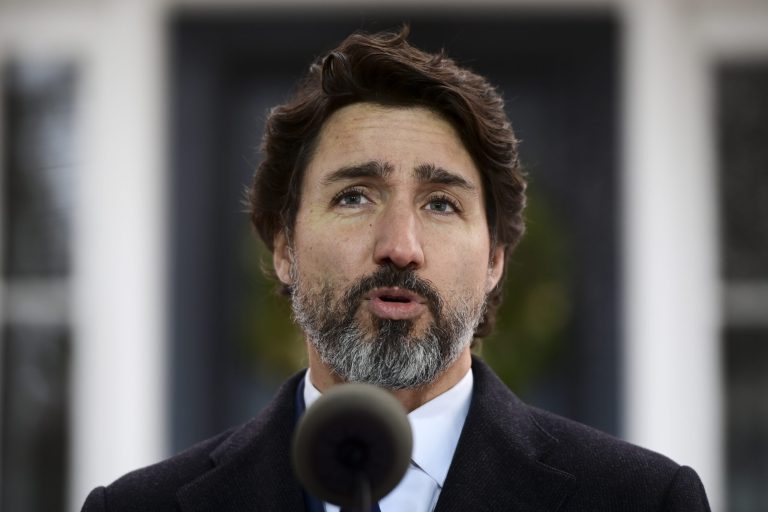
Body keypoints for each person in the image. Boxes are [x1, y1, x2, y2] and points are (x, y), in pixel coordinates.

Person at [81, 27, 711, 511]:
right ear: (283, 246)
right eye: (354, 196)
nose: (400, 246)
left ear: (495, 259)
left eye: (441, 203)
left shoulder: (643, 501)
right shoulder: (138, 507)